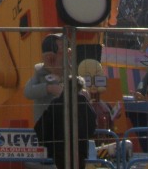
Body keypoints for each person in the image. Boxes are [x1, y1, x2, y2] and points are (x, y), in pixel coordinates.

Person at [25, 34, 96, 168]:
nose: (67, 53)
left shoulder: (69, 74)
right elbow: (28, 91)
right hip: (51, 133)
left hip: (71, 135)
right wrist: (48, 88)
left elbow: (79, 86)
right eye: (61, 49)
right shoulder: (40, 74)